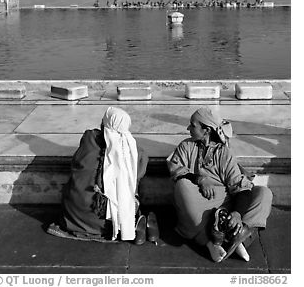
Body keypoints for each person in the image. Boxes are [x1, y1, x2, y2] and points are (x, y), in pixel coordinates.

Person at [167, 107, 272, 263]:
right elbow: (175, 169)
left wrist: (237, 213)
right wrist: (199, 179)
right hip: (199, 203)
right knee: (182, 187)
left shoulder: (223, 153)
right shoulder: (186, 146)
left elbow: (240, 187)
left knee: (263, 193)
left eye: (192, 125)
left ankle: (239, 231)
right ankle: (211, 242)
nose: (188, 128)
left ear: (206, 130)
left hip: (227, 201)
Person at [47, 107, 149, 242]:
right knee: (131, 191)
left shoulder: (89, 138)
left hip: (74, 215)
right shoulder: (137, 153)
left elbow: (76, 163)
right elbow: (137, 176)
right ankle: (129, 223)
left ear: (104, 124)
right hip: (106, 224)